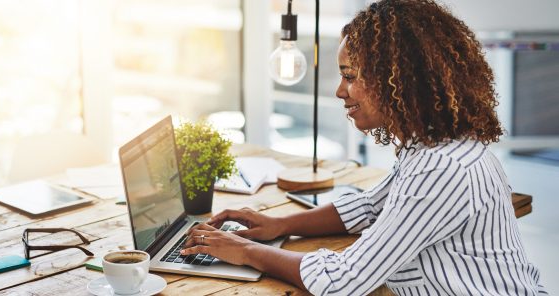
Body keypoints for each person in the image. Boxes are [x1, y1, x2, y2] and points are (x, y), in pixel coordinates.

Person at [180, 0, 547, 295]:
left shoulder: (441, 167)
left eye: (350, 76)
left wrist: (244, 252)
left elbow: (345, 280)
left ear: (397, 81)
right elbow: (371, 206)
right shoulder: (433, 147)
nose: (340, 91)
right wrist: (279, 224)